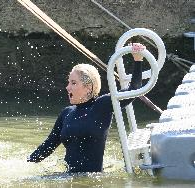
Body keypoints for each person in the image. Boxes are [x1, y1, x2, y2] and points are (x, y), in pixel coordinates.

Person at [27, 43, 146, 173]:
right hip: (66, 178)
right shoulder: (66, 113)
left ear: (88, 87)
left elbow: (134, 90)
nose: (68, 87)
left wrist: (138, 59)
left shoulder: (102, 105)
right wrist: (25, 164)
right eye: (68, 83)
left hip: (91, 181)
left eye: (73, 83)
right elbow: (48, 146)